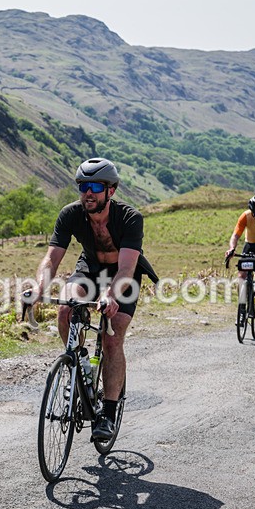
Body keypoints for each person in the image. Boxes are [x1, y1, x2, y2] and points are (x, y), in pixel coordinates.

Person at [26, 158, 158, 441]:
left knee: (112, 336)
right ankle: (78, 364)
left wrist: (110, 295)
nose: (88, 193)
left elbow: (126, 269)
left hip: (123, 274)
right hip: (89, 268)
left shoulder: (130, 218)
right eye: (83, 186)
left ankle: (108, 412)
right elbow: (51, 259)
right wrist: (39, 288)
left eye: (96, 187)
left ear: (111, 190)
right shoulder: (70, 214)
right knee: (66, 309)